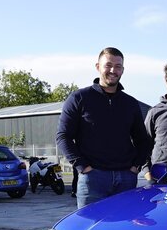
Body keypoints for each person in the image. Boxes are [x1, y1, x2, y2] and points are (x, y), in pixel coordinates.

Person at [57, 47, 151, 208]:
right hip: (92, 179)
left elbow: (143, 140)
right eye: (108, 65)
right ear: (98, 67)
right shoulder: (79, 98)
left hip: (126, 179)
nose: (113, 70)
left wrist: (136, 166)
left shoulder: (130, 103)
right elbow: (63, 136)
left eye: (118, 66)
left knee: (123, 229)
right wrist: (82, 166)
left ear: (123, 70)